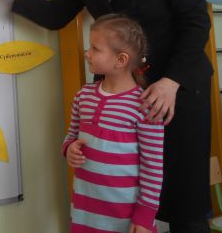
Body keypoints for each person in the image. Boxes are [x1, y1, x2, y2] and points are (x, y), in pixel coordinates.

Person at [0, 0, 213, 233]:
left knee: (183, 204)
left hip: (176, 88)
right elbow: (56, 15)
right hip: (119, 94)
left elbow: (196, 22)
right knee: (118, 199)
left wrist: (171, 82)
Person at [64, 14, 163, 233]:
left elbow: (153, 168)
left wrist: (145, 216)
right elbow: (70, 137)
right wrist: (69, 149)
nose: (87, 53)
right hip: (85, 213)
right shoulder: (83, 96)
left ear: (121, 60)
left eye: (95, 49)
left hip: (125, 218)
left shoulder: (145, 106)